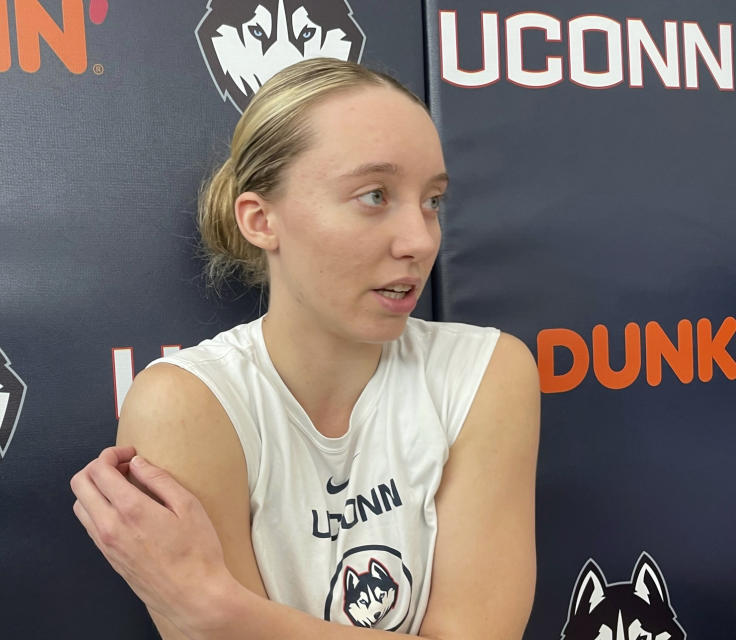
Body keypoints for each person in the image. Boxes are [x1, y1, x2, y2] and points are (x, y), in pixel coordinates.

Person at [70, 57, 540, 639]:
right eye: (374, 195)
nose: (421, 240)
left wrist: (221, 611)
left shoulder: (486, 372)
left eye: (433, 200)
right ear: (261, 219)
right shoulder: (187, 404)